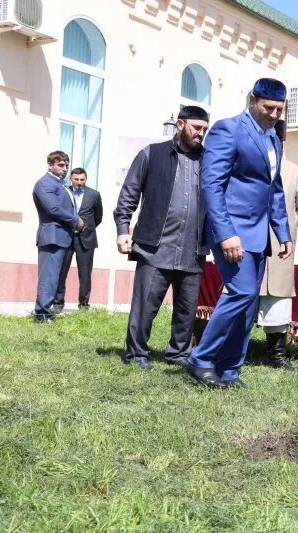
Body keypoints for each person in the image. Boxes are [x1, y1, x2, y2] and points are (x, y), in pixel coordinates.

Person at [187, 79, 292, 389]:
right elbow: (212, 185)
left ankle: (230, 369)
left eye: (279, 110)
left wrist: (283, 232)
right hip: (232, 230)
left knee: (248, 303)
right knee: (242, 293)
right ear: (252, 100)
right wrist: (226, 234)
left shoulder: (274, 140)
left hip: (260, 234)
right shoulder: (228, 129)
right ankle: (201, 360)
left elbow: (274, 190)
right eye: (268, 107)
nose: (273, 114)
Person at [114, 106, 210, 370]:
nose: (201, 134)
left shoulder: (209, 161)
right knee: (145, 306)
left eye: (205, 129)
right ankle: (137, 354)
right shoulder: (151, 154)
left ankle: (179, 354)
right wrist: (123, 229)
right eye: (196, 128)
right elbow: (128, 195)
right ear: (180, 124)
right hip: (155, 247)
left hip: (193, 248)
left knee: (186, 311)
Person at [256, 119, 298, 371]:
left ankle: (277, 354)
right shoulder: (248, 166)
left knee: (278, 299)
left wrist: (285, 234)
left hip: (280, 247)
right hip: (249, 244)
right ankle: (237, 350)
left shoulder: (295, 171)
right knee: (243, 296)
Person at [32, 151, 83, 323]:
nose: (64, 169)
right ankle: (42, 314)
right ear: (50, 165)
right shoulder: (44, 184)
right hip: (52, 236)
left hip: (62, 237)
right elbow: (53, 208)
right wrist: (76, 220)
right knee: (48, 277)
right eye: (60, 165)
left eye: (66, 165)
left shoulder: (60, 185)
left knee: (55, 278)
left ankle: (46, 311)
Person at [53, 168, 103, 312]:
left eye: (82, 180)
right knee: (61, 272)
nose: (79, 182)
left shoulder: (94, 194)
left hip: (86, 239)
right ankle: (57, 304)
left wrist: (85, 228)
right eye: (76, 179)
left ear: (86, 180)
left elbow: (98, 217)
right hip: (66, 237)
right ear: (71, 179)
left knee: (85, 274)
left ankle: (84, 305)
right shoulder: (63, 191)